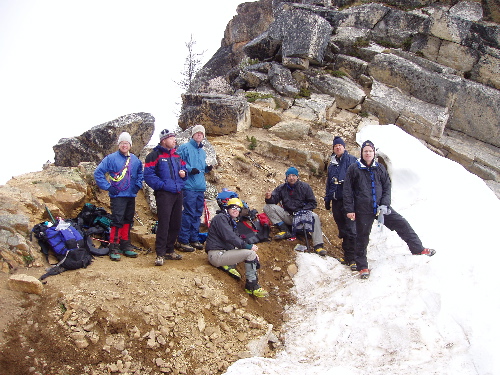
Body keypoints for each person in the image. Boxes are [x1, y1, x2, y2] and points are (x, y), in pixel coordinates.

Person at [343, 140, 436, 279]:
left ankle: (418, 249)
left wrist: (385, 204)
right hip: (363, 209)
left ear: (374, 152)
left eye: (370, 151)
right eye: (365, 151)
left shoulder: (380, 168)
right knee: (362, 237)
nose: (368, 153)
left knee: (401, 223)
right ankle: (362, 267)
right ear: (361, 153)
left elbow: (387, 187)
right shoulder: (354, 169)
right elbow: (347, 190)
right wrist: (349, 209)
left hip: (381, 207)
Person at [94, 132, 144, 261]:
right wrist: (108, 187)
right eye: (122, 143)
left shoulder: (135, 160)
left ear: (130, 145)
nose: (124, 145)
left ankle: (125, 245)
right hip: (117, 196)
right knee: (117, 220)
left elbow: (140, 173)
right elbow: (98, 172)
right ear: (119, 144)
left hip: (131, 195)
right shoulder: (110, 158)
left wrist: (137, 186)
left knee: (128, 220)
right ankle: (114, 247)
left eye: (126, 143)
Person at [205, 197, 268, 297]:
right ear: (228, 208)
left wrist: (249, 251)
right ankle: (251, 286)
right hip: (217, 254)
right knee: (250, 253)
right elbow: (230, 237)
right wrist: (248, 247)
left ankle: (229, 265)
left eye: (238, 208)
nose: (236, 210)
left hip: (222, 252)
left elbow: (236, 238)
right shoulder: (221, 218)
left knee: (250, 253)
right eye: (233, 207)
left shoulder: (230, 221)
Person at [144, 129, 188, 266]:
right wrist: (162, 185)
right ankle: (160, 253)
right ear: (164, 140)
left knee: (176, 222)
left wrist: (183, 175)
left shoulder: (177, 156)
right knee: (164, 223)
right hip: (164, 194)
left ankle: (170, 250)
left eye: (174, 137)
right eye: (172, 138)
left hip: (177, 192)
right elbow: (148, 175)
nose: (174, 140)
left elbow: (184, 170)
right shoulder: (154, 155)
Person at [264, 167, 327, 256]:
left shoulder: (305, 187)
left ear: (297, 177)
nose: (291, 178)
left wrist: (303, 211)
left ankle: (318, 245)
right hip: (289, 215)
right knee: (267, 207)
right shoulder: (282, 188)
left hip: (302, 215)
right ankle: (285, 230)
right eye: (289, 176)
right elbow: (273, 201)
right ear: (286, 177)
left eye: (293, 175)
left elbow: (313, 203)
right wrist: (269, 197)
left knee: (314, 216)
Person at [176, 124, 213, 252]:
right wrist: (190, 169)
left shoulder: (202, 152)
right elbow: (177, 162)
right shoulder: (185, 147)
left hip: (200, 187)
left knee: (197, 214)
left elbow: (201, 169)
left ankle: (194, 238)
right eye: (197, 133)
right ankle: (183, 240)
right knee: (188, 213)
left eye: (201, 133)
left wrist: (207, 169)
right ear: (192, 135)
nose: (199, 135)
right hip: (189, 186)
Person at [324, 136, 358, 271]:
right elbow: (329, 183)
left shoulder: (352, 161)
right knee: (343, 229)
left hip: (349, 201)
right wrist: (327, 199)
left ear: (344, 147)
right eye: (335, 146)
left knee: (351, 229)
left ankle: (354, 258)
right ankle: (347, 256)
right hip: (336, 201)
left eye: (340, 145)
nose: (337, 147)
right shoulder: (332, 163)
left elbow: (358, 182)